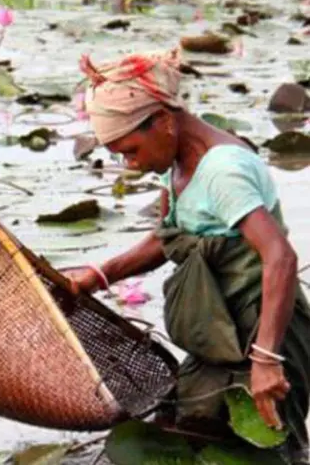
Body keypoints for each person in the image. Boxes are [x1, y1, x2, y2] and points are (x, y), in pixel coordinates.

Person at [66, 48, 310, 463]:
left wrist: (266, 360)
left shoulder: (222, 171)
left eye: (131, 150)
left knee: (269, 450)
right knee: (187, 429)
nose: (130, 163)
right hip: (216, 330)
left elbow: (280, 258)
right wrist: (98, 275)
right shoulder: (178, 163)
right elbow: (168, 238)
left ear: (163, 121)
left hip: (263, 330)